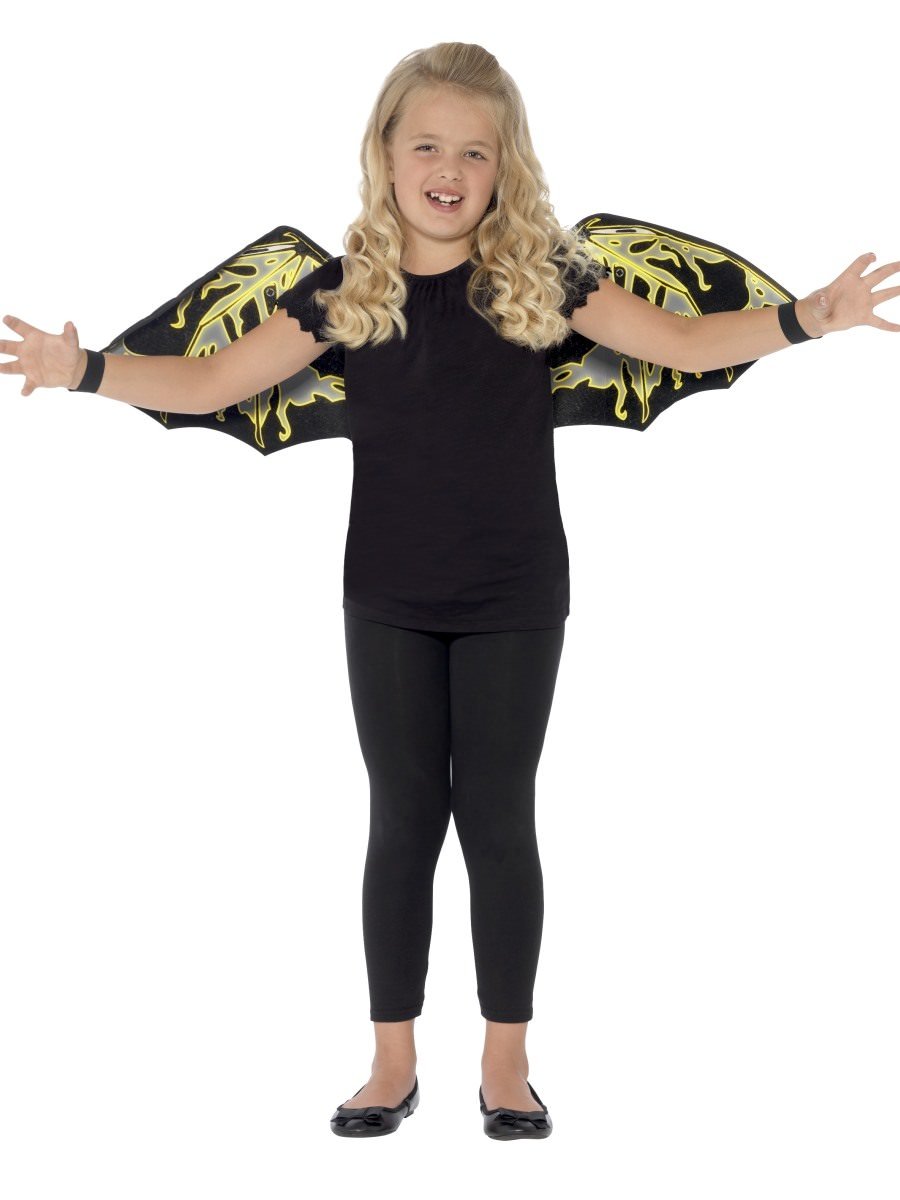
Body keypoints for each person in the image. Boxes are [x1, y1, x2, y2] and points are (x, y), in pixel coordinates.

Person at [2, 42, 898, 1142]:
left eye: (476, 151)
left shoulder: (544, 282)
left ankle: (506, 1064)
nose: (449, 168)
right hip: (386, 595)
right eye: (427, 144)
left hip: (516, 594)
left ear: (504, 167)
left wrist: (809, 315)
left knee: (499, 819)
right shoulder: (343, 294)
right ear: (385, 155)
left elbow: (681, 340)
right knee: (402, 820)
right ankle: (391, 1062)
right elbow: (208, 379)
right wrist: (84, 370)